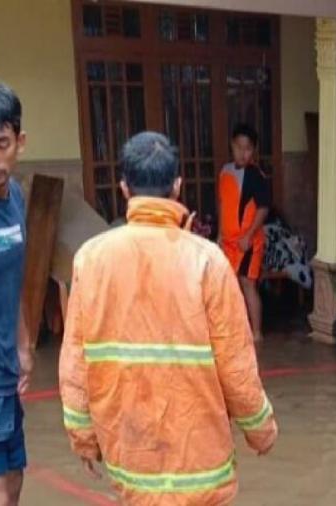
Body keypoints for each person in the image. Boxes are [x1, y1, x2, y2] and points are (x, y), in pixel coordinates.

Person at [59, 132, 277, 506]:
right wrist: (261, 430)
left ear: (124, 188)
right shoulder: (207, 261)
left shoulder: (90, 259)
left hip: (131, 460)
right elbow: (237, 365)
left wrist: (83, 437)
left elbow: (75, 364)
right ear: (178, 186)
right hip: (201, 467)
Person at [0, 82, 33, 506]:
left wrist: (21, 344)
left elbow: (12, 279)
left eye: (1, 144)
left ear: (19, 141)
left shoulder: (15, 198)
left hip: (5, 369)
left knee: (15, 476)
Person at [218, 124, 271, 342]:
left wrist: (248, 235)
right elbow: (222, 203)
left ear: (254, 150)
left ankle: (256, 333)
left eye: (247, 148)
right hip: (229, 242)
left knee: (248, 284)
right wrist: (220, 233)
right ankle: (236, 329)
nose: (243, 152)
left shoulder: (255, 175)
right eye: (239, 147)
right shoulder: (225, 171)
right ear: (232, 146)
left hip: (248, 243)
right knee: (230, 285)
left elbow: (263, 208)